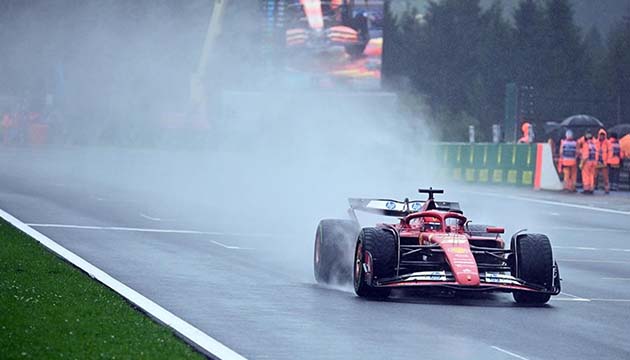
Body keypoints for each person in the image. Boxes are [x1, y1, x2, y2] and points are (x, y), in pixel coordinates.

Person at [594, 128, 610, 194]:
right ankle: (594, 186)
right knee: (594, 175)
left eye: (603, 135)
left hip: (604, 162)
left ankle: (606, 188)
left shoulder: (608, 143)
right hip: (596, 161)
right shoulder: (595, 142)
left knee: (605, 177)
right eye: (601, 135)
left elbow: (610, 152)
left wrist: (608, 161)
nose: (602, 136)